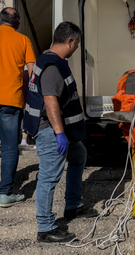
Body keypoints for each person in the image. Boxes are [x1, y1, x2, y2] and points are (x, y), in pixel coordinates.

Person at [23, 21, 97, 243]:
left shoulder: (49, 58)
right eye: (76, 44)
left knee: (79, 155)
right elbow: (50, 100)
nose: (76, 49)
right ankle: (45, 228)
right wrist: (59, 133)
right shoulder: (53, 66)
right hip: (51, 131)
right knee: (49, 177)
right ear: (70, 41)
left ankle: (73, 205)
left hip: (61, 130)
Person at [0, 7, 35, 207]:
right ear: (18, 24)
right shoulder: (23, 40)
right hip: (10, 101)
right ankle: (5, 193)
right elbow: (32, 73)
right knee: (9, 148)